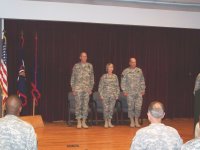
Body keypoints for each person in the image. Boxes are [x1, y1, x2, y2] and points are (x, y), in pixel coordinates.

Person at [70, 52, 94, 129]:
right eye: (83, 56)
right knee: (78, 105)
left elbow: (92, 78)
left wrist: (91, 88)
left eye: (85, 56)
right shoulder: (76, 66)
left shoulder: (90, 66)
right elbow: (73, 78)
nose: (84, 57)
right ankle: (78, 122)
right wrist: (73, 88)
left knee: (85, 105)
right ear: (80, 57)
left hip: (87, 89)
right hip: (78, 89)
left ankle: (84, 121)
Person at [121, 58, 145, 127]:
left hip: (138, 93)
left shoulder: (139, 71)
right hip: (130, 93)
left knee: (138, 107)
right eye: (132, 62)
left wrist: (143, 89)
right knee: (131, 107)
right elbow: (123, 82)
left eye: (135, 62)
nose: (134, 63)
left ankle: (136, 121)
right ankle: (131, 121)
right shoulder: (126, 71)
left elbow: (142, 81)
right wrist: (124, 90)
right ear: (129, 63)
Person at [98, 63, 120, 128]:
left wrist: (116, 95)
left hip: (113, 96)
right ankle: (106, 122)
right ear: (107, 68)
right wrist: (101, 95)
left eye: (112, 67)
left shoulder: (115, 76)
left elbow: (117, 87)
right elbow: (100, 87)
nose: (111, 68)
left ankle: (110, 121)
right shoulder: (103, 76)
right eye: (109, 67)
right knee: (106, 109)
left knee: (111, 109)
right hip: (105, 95)